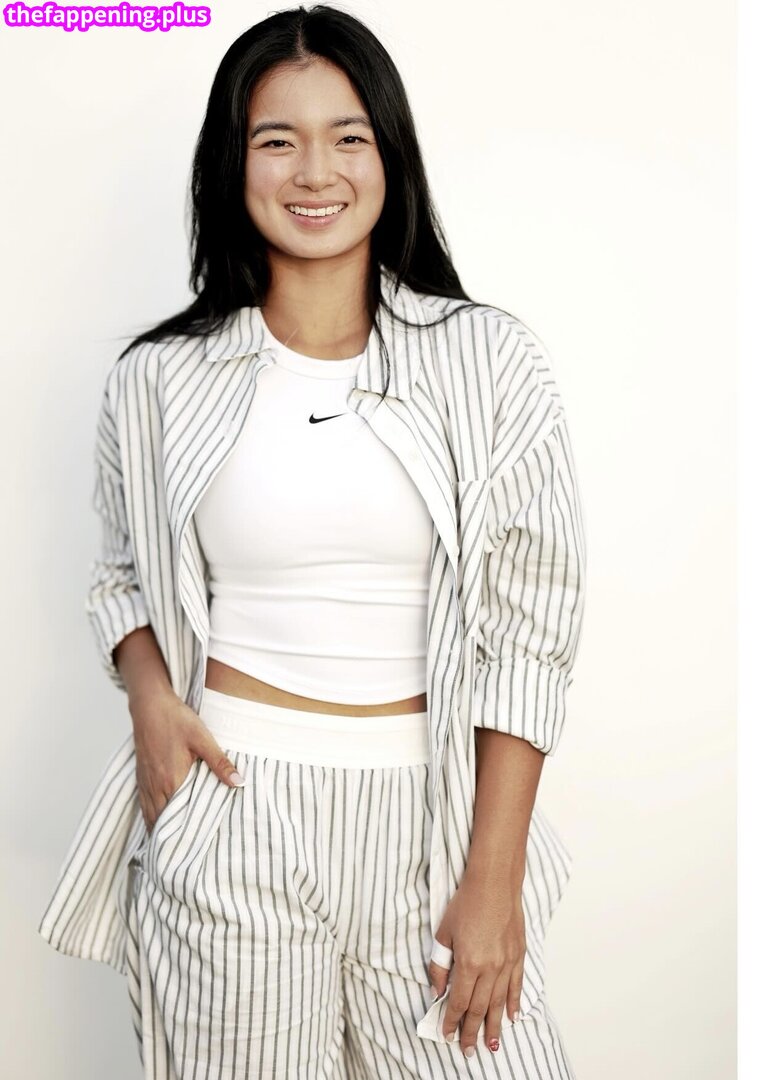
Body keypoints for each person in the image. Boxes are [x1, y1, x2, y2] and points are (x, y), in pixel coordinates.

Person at [38, 5, 587, 1078]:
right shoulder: (158, 379)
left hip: (432, 824)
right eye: (276, 139)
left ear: (390, 155)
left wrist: (493, 880)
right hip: (231, 815)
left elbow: (533, 629)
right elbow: (121, 577)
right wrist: (151, 700)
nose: (314, 172)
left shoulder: (489, 362)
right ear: (232, 163)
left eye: (347, 137)